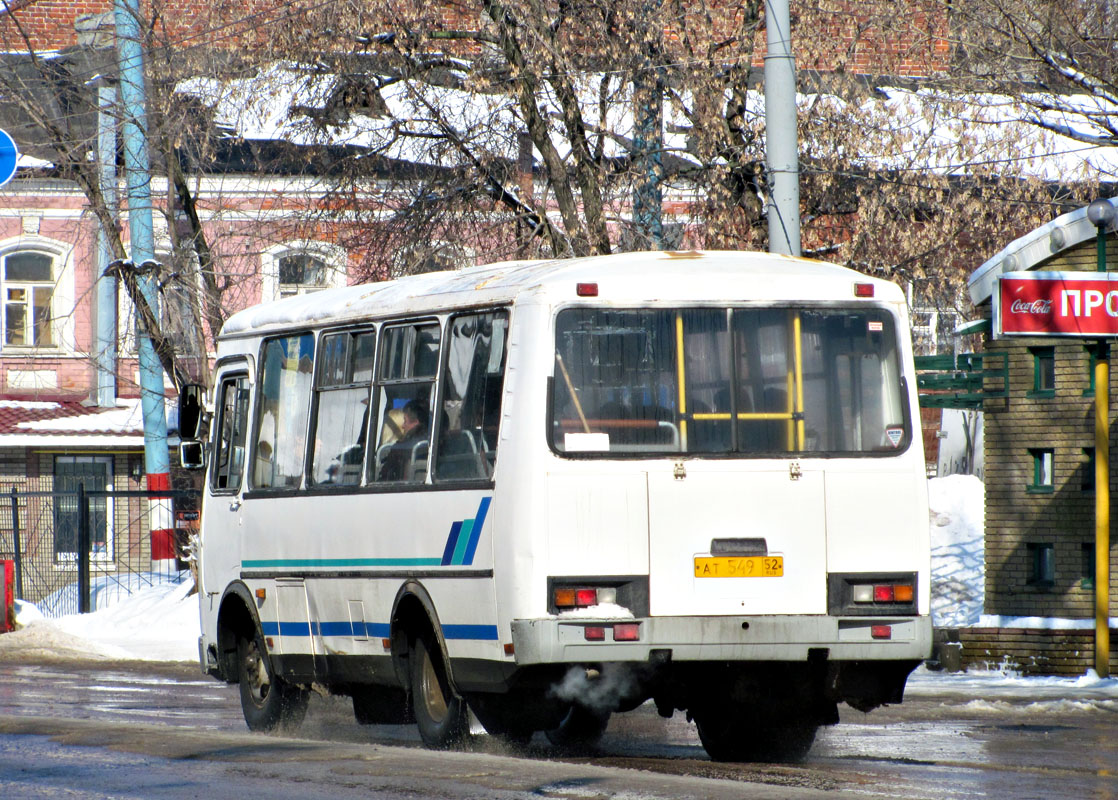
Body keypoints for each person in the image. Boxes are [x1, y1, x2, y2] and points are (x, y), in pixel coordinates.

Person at [377, 398, 429, 481]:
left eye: (405, 421)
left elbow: (385, 477)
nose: (403, 426)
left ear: (415, 422)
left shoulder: (401, 449)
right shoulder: (434, 443)